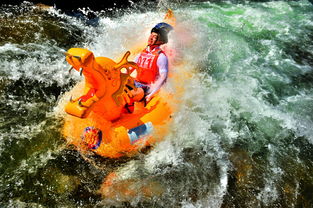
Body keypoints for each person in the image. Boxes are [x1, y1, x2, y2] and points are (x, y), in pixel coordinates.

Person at [130, 22, 173, 103]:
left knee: (136, 92)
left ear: (161, 41)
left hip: (147, 88)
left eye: (155, 37)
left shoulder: (161, 57)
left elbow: (163, 78)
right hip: (136, 83)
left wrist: (151, 94)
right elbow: (131, 67)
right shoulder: (142, 53)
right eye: (151, 35)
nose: (151, 38)